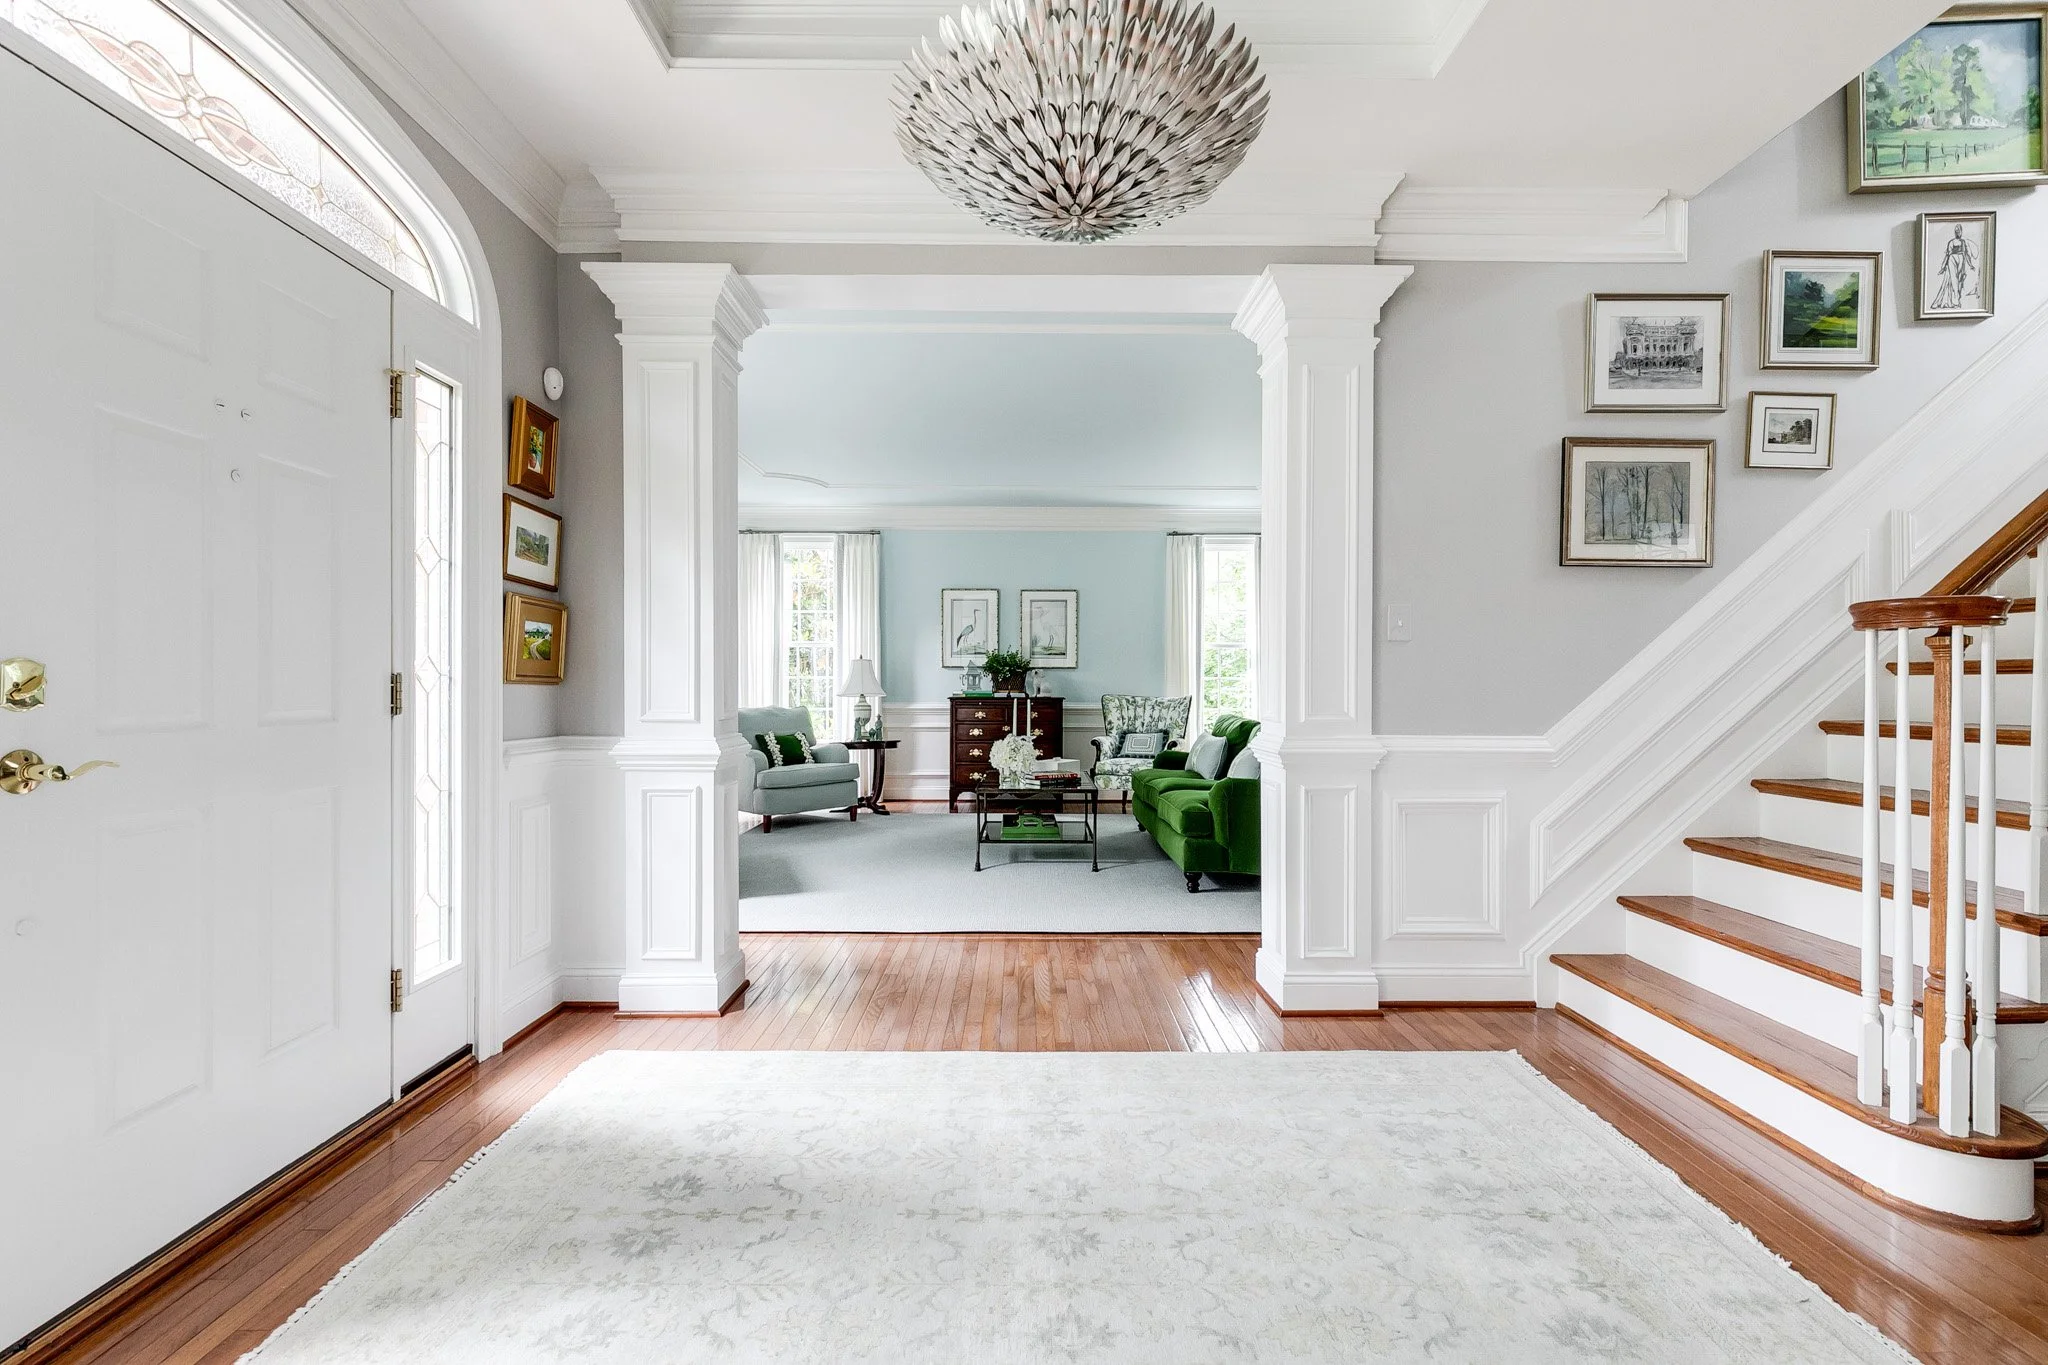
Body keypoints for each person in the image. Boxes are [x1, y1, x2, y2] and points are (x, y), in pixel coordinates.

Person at [1931, 223, 1979, 311]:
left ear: (1961, 232)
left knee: (1959, 280)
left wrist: (1970, 265)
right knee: (1954, 280)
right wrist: (1943, 267)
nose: (1957, 233)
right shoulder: (1951, 242)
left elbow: (1966, 254)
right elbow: (1947, 255)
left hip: (1961, 261)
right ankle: (1955, 302)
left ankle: (1954, 301)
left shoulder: (1963, 242)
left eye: (1959, 231)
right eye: (1956, 231)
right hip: (1952, 260)